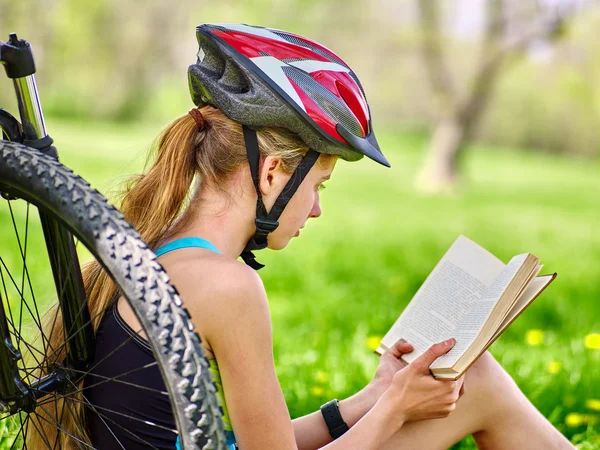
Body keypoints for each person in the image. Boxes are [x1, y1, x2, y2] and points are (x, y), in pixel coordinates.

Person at [80, 24, 573, 449]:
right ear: (273, 173)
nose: (316, 209)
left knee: (476, 381)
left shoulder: (157, 248)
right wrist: (396, 407)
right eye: (318, 185)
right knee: (479, 382)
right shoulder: (227, 286)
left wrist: (370, 400)